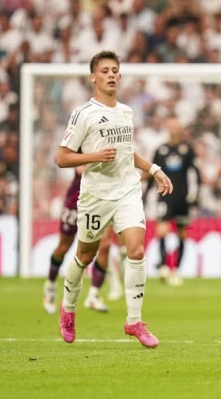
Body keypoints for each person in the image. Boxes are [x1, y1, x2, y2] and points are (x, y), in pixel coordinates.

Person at [55, 50, 173, 348]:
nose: (111, 74)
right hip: (96, 195)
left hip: (127, 190)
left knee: (135, 249)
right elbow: (61, 157)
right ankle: (68, 309)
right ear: (93, 76)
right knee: (85, 255)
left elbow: (125, 153)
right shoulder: (84, 114)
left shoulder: (126, 111)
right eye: (105, 70)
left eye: (115, 70)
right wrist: (94, 155)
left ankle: (134, 321)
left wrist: (154, 169)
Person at [43, 166, 123, 315]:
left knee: (105, 244)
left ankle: (93, 295)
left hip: (101, 200)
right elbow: (80, 168)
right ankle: (50, 286)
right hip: (77, 200)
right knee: (64, 246)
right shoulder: (83, 144)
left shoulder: (110, 143)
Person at [144, 116, 201, 287]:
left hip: (182, 199)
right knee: (162, 230)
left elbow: (196, 174)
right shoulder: (160, 150)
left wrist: (196, 196)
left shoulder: (187, 150)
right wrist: (145, 196)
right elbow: (151, 174)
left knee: (182, 234)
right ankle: (163, 266)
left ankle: (175, 270)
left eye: (177, 126)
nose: (174, 129)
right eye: (171, 126)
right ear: (167, 128)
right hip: (165, 197)